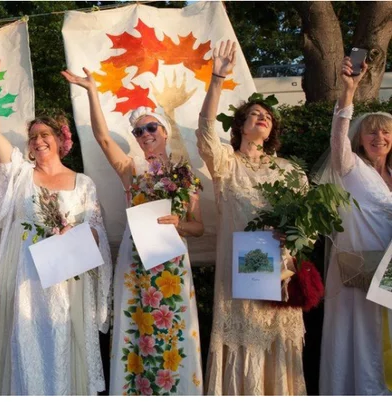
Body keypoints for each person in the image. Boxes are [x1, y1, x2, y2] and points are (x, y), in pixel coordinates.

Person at [62, 68, 205, 395]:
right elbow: (102, 138)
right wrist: (91, 91)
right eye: (139, 131)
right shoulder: (130, 170)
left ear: (165, 132)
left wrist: (179, 224)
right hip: (135, 263)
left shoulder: (185, 174)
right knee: (136, 330)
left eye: (151, 127)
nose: (145, 134)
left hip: (171, 265)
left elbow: (199, 227)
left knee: (172, 333)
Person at [0, 59, 113, 395]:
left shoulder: (82, 182)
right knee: (28, 342)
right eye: (33, 137)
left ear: (60, 140)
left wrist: (72, 234)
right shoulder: (21, 174)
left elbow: (96, 230)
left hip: (67, 278)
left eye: (45, 135)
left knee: (64, 339)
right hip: (27, 274)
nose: (37, 141)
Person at [196, 41, 306, 395]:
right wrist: (216, 79)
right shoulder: (227, 165)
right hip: (238, 280)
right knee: (242, 343)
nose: (263, 118)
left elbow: (309, 228)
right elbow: (204, 132)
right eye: (255, 114)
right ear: (241, 126)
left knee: (277, 346)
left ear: (272, 131)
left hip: (280, 275)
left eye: (268, 116)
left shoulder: (291, 172)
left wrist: (292, 237)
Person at [318, 57, 392, 395]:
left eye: (386, 131)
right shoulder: (351, 169)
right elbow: (338, 139)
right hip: (358, 271)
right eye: (371, 131)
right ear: (359, 138)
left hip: (390, 276)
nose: (379, 136)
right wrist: (348, 94)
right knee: (362, 338)